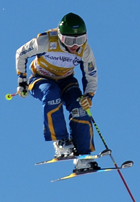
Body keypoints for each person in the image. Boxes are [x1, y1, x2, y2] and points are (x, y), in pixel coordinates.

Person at [14, 12, 100, 173]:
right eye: (70, 41)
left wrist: (89, 95)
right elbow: (21, 53)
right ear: (61, 37)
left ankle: (84, 157)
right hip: (40, 79)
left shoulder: (84, 50)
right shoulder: (45, 42)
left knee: (80, 107)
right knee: (51, 94)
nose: (75, 45)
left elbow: (91, 74)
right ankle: (61, 142)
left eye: (80, 40)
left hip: (66, 80)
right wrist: (22, 81)